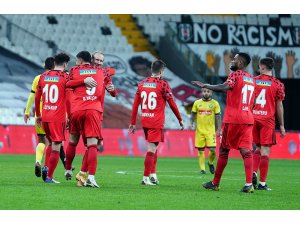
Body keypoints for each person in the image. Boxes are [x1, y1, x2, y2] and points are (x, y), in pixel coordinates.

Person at [192, 52, 256, 193]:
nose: (231, 61)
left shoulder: (235, 75)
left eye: (234, 60)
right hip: (247, 118)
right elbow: (254, 101)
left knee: (224, 151)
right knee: (246, 151)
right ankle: (248, 184)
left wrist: (206, 85)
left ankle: (215, 183)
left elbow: (225, 87)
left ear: (240, 63)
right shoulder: (251, 79)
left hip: (233, 119)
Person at [129, 60, 184, 185]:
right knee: (151, 149)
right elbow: (172, 104)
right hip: (156, 121)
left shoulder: (142, 83)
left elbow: (135, 104)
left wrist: (132, 122)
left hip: (145, 120)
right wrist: (180, 119)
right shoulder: (163, 84)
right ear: (161, 71)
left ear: (151, 69)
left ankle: (153, 175)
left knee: (154, 148)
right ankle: (145, 177)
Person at [74, 51, 117, 186]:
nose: (99, 62)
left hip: (94, 112)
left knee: (92, 146)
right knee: (94, 145)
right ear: (91, 60)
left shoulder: (101, 73)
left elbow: (114, 93)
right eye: (97, 60)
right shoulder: (98, 73)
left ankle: (81, 175)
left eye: (101, 61)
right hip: (90, 111)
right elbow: (112, 70)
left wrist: (112, 88)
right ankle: (84, 175)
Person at [64, 51, 105, 188]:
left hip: (76, 110)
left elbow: (67, 84)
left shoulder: (74, 70)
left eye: (76, 60)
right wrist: (112, 89)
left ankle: (68, 169)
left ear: (80, 60)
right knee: (93, 145)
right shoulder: (100, 71)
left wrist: (82, 81)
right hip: (93, 109)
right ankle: (90, 178)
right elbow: (111, 81)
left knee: (73, 141)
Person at [24, 57, 67, 178]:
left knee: (42, 141)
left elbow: (33, 96)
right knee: (56, 142)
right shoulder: (60, 77)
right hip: (54, 113)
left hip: (40, 115)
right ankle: (54, 170)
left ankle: (38, 161)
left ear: (44, 66)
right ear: (55, 66)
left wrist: (27, 112)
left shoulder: (39, 78)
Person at [35, 53, 70, 183]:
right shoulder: (65, 77)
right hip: (58, 117)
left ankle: (45, 166)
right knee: (57, 145)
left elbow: (37, 97)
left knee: (49, 143)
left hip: (45, 116)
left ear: (54, 62)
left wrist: (38, 114)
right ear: (65, 64)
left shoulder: (43, 77)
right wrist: (69, 117)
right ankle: (49, 175)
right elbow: (69, 101)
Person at [252, 57, 286, 190]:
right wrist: (282, 125)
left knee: (257, 148)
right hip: (268, 120)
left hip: (253, 118)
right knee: (265, 150)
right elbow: (279, 106)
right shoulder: (278, 84)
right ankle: (262, 183)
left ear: (262, 67)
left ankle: (253, 172)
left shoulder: (253, 81)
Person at [190, 88, 222, 175]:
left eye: (208, 91)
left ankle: (210, 163)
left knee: (213, 150)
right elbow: (193, 114)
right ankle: (202, 169)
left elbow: (218, 116)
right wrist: (191, 123)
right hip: (200, 130)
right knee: (201, 150)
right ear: (202, 92)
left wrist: (219, 129)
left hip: (210, 131)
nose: (206, 93)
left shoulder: (215, 103)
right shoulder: (197, 103)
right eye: (204, 91)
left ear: (211, 92)